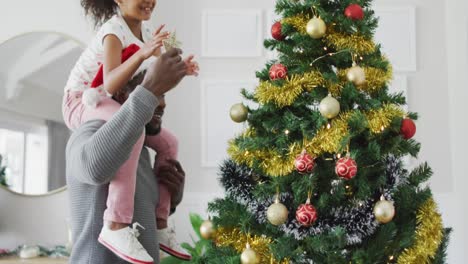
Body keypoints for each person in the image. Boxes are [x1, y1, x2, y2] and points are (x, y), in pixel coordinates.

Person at [63, 0, 198, 262]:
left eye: (162, 97)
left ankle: (162, 227)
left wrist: (169, 200)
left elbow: (137, 207)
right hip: (85, 98)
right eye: (152, 96)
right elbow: (93, 168)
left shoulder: (140, 146)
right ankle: (114, 225)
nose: (161, 105)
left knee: (170, 143)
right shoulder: (91, 130)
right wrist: (147, 88)